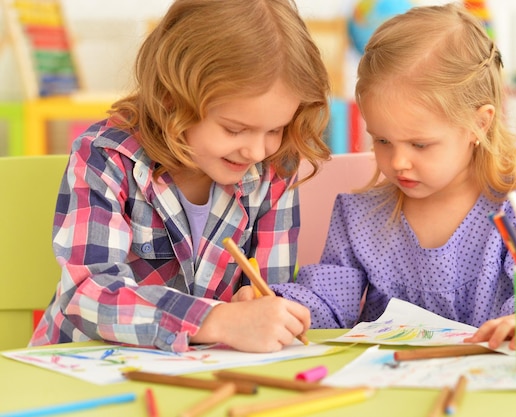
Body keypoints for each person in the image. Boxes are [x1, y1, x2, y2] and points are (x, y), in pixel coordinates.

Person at [29, 0, 331, 353]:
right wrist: (214, 319)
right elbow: (88, 294)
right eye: (235, 129)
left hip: (204, 370)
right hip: (84, 363)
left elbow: (269, 287)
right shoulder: (106, 157)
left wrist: (264, 304)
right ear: (173, 99)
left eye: (275, 129)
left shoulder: (275, 168)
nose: (257, 152)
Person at [268, 3, 516, 350]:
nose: (398, 161)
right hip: (385, 389)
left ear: (480, 123)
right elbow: (328, 307)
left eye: (420, 144)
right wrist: (284, 309)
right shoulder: (359, 218)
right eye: (381, 140)